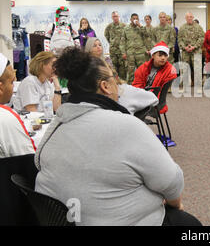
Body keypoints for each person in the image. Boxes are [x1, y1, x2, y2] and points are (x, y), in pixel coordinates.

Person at [34, 47, 200, 226]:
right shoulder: (127, 125)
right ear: (105, 86)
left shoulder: (55, 126)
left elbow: (38, 162)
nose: (118, 87)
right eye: (114, 79)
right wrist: (176, 205)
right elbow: (171, 182)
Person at [0, 53, 36, 158]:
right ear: (1, 88)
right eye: (11, 82)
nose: (13, 87)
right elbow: (28, 160)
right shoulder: (5, 117)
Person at [132, 42, 178, 113]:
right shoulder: (143, 68)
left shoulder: (170, 70)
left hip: (155, 102)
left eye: (165, 56)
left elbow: (159, 91)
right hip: (142, 96)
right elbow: (137, 85)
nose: (163, 58)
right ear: (152, 56)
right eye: (160, 55)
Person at [121, 13, 152, 84]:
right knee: (130, 72)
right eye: (133, 18)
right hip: (130, 53)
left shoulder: (141, 28)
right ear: (130, 20)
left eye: (136, 19)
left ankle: (142, 87)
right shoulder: (126, 29)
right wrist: (123, 52)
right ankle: (129, 88)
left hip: (140, 53)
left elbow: (147, 35)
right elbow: (122, 42)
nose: (135, 20)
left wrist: (140, 25)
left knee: (142, 71)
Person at [178, 12, 204, 90]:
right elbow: (179, 39)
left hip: (196, 51)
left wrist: (194, 46)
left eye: (190, 17)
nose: (189, 18)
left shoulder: (198, 27)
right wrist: (184, 47)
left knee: (197, 69)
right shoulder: (182, 27)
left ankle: (198, 86)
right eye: (187, 17)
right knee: (185, 69)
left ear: (193, 17)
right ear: (185, 18)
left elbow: (202, 38)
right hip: (185, 51)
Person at [104, 11, 127, 81]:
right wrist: (112, 43)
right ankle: (115, 84)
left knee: (122, 68)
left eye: (116, 16)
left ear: (118, 17)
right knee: (114, 68)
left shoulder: (124, 26)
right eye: (114, 16)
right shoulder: (109, 27)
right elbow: (106, 35)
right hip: (113, 51)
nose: (115, 18)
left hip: (121, 51)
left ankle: (123, 83)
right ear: (112, 17)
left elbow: (127, 37)